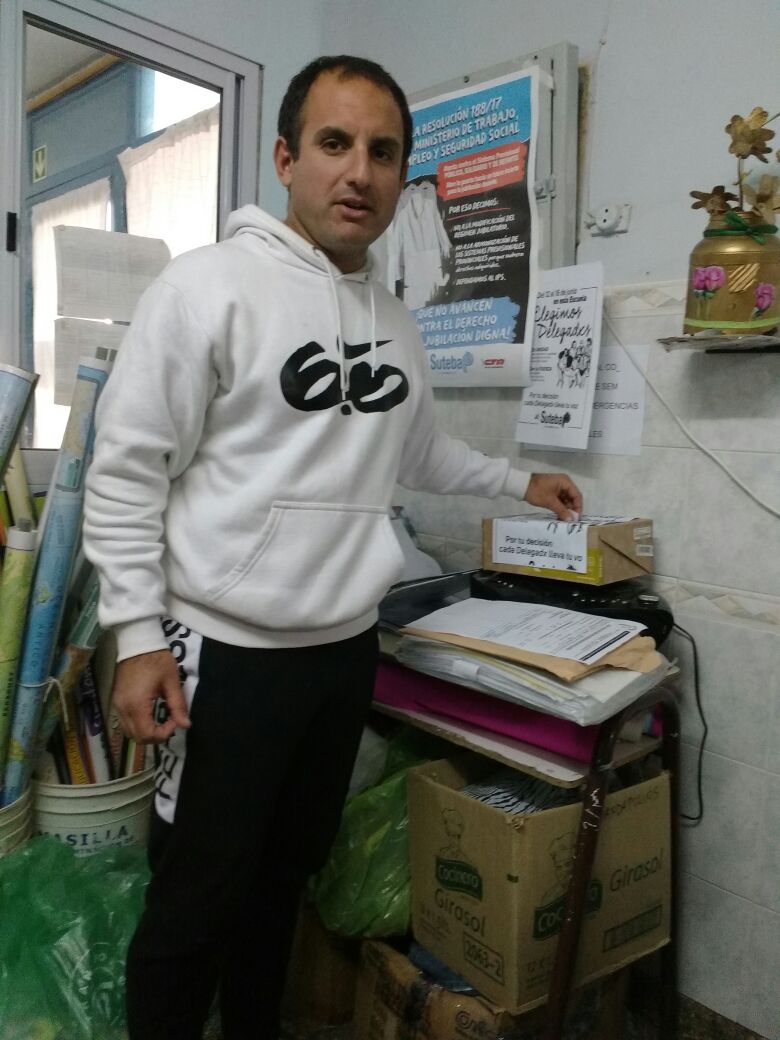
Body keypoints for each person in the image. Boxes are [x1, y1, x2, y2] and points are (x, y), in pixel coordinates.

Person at [83, 54, 583, 1040]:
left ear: (401, 177)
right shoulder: (205, 288)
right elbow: (128, 468)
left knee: (285, 882)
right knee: (195, 896)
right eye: (335, 143)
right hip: (222, 654)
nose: (359, 171)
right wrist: (137, 635)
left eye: (383, 152)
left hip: (341, 655)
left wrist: (517, 480)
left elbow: (419, 450)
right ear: (286, 158)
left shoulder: (394, 320)